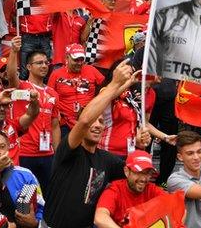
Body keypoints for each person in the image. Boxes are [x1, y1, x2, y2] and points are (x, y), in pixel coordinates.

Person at [42, 60, 136, 227]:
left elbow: (133, 174)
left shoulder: (107, 160)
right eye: (94, 120)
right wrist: (114, 84)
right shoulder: (68, 150)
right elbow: (85, 120)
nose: (97, 124)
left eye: (101, 121)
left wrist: (142, 146)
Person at [7, 36, 61, 196]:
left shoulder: (53, 93)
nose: (44, 66)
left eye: (46, 62)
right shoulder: (22, 88)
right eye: (39, 63)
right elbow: (11, 76)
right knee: (26, 196)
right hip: (25, 152)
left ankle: (44, 222)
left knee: (47, 195)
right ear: (28, 66)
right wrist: (13, 51)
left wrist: (56, 153)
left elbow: (55, 125)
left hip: (47, 154)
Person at [0, 130, 44, 228]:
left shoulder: (25, 175)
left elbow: (41, 208)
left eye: (2, 147)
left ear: (8, 147)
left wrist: (35, 223)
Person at [94, 150, 165, 227]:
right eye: (139, 172)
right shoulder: (115, 190)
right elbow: (99, 217)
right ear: (126, 171)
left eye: (148, 173)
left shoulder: (152, 190)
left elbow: (174, 204)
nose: (144, 179)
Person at [48, 43, 105, 137]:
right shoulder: (56, 74)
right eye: (76, 60)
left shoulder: (91, 70)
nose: (79, 63)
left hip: (88, 120)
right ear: (67, 58)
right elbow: (49, 96)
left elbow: (105, 86)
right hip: (65, 123)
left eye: (81, 59)